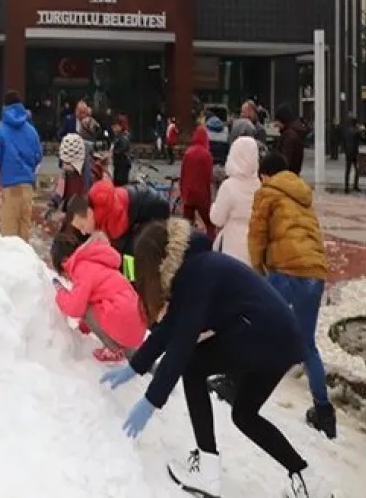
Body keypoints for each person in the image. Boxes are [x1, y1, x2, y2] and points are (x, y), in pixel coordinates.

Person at [101, 219, 334, 498]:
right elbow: (169, 329)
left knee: (193, 364)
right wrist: (134, 366)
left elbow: (182, 344)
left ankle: (207, 470)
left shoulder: (196, 274)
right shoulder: (194, 267)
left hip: (265, 335)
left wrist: (151, 401)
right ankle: (307, 478)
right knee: (244, 414)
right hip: (282, 340)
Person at [249, 152, 336, 439]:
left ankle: (237, 382)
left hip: (286, 270)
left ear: (265, 174)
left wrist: (258, 271)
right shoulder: (301, 195)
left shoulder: (267, 192)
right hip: (315, 272)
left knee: (254, 322)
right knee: (306, 344)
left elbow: (257, 235)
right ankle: (324, 412)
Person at [54, 201, 147, 363]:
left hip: (127, 313)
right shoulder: (96, 257)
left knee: (86, 304)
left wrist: (61, 292)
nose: (83, 231)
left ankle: (114, 349)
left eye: (82, 225)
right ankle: (127, 346)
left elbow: (76, 307)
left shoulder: (83, 267)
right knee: (101, 299)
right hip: (138, 322)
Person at [0, 91, 43, 241]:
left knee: (9, 238)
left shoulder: (0, 131)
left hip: (9, 186)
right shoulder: (31, 130)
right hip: (27, 186)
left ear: (5, 107)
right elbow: (38, 155)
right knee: (24, 236)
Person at [209, 137, 261, 266]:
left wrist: (213, 206)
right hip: (255, 242)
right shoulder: (260, 184)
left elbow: (217, 219)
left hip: (232, 245)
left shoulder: (229, 186)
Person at [86, 177, 170, 256]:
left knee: (132, 250)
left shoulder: (111, 214)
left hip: (155, 210)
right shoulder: (99, 201)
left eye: (83, 226)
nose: (83, 231)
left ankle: (131, 271)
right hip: (146, 201)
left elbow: (118, 240)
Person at [180, 125, 215, 239]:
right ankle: (211, 243)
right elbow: (209, 177)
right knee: (209, 223)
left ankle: (186, 246)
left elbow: (183, 174)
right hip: (201, 194)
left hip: (188, 193)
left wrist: (182, 192)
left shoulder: (188, 152)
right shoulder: (206, 155)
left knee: (186, 225)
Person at [52, 133, 87, 214]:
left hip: (81, 214)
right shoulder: (66, 173)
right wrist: (53, 202)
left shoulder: (88, 175)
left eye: (69, 163)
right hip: (69, 210)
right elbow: (60, 189)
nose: (65, 166)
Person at [273, 103, 306, 175]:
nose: (275, 124)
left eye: (277, 120)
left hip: (286, 177)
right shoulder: (294, 132)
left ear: (282, 120)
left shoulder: (289, 136)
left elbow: (285, 160)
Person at [340, 115, 364, 193]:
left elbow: (343, 141)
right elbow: (362, 139)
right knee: (356, 169)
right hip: (354, 153)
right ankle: (355, 185)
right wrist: (361, 130)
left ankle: (346, 187)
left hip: (348, 152)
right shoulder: (356, 131)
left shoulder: (346, 131)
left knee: (347, 170)